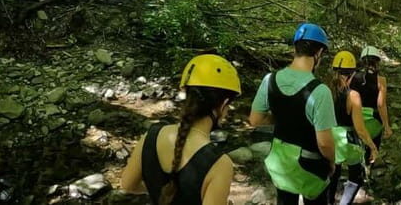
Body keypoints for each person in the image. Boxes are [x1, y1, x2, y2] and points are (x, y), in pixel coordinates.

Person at [120, 54, 240, 204]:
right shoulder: (220, 164)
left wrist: (159, 189)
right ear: (223, 105)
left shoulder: (152, 135)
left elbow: (127, 184)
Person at [249, 23, 337, 205]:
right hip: (310, 168)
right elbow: (324, 143)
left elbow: (255, 119)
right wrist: (331, 163)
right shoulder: (320, 91)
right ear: (319, 53)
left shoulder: (269, 80)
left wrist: (283, 116)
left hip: (281, 164)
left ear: (295, 48)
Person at [325, 51, 379, 205]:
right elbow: (360, 128)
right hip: (347, 141)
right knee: (356, 176)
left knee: (332, 174)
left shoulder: (325, 90)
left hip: (328, 138)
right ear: (353, 73)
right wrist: (372, 146)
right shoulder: (353, 96)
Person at [348, 46, 393, 201]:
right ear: (377, 62)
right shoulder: (381, 80)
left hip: (356, 118)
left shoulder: (352, 77)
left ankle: (355, 177)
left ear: (362, 60)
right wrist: (386, 125)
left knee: (357, 147)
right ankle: (367, 175)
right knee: (372, 147)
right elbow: (381, 105)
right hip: (374, 121)